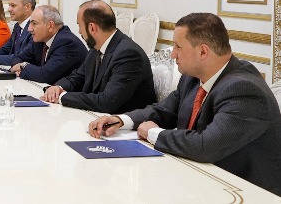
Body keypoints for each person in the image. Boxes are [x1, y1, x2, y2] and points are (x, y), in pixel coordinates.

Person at [90, 13, 281, 196]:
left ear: (203, 51)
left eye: (178, 47)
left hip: (243, 191)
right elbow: (164, 110)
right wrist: (121, 120)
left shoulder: (244, 90)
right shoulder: (193, 77)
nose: (173, 54)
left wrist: (153, 133)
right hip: (198, 179)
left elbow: (206, 146)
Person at [41, 0, 156, 113]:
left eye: (80, 25)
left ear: (92, 28)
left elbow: (107, 102)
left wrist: (62, 97)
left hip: (122, 121)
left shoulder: (128, 54)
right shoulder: (96, 49)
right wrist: (58, 88)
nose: (79, 32)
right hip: (97, 116)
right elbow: (77, 78)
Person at [7, 5, 87, 84]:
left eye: (34, 23)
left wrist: (23, 66)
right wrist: (20, 67)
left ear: (50, 26)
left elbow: (44, 76)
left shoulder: (67, 42)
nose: (29, 29)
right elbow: (18, 58)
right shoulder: (40, 40)